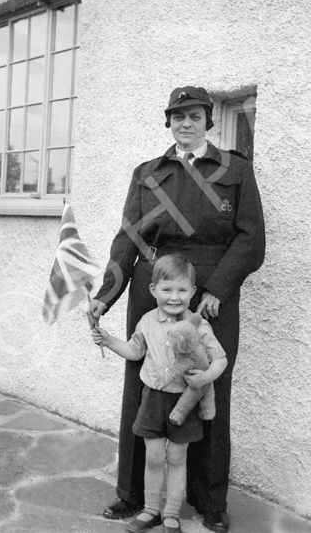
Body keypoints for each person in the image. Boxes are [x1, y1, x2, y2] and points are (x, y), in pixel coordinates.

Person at [87, 85, 265, 532]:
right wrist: (105, 295)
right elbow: (127, 239)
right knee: (143, 388)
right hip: (155, 287)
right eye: (177, 116)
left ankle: (210, 501)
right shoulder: (147, 173)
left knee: (209, 390)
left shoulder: (235, 170)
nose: (186, 124)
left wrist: (217, 289)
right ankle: (131, 494)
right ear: (168, 122)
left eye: (195, 116)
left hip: (211, 293)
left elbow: (251, 239)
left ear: (209, 120)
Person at [91, 254, 228, 533]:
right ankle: (151, 510)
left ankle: (171, 515)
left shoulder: (198, 325)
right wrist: (109, 340)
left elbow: (221, 359)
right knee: (153, 458)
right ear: (154, 290)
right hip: (153, 400)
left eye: (181, 290)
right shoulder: (146, 322)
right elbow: (135, 351)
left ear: (192, 291)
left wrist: (206, 377)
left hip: (184, 403)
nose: (174, 297)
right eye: (167, 290)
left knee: (177, 458)